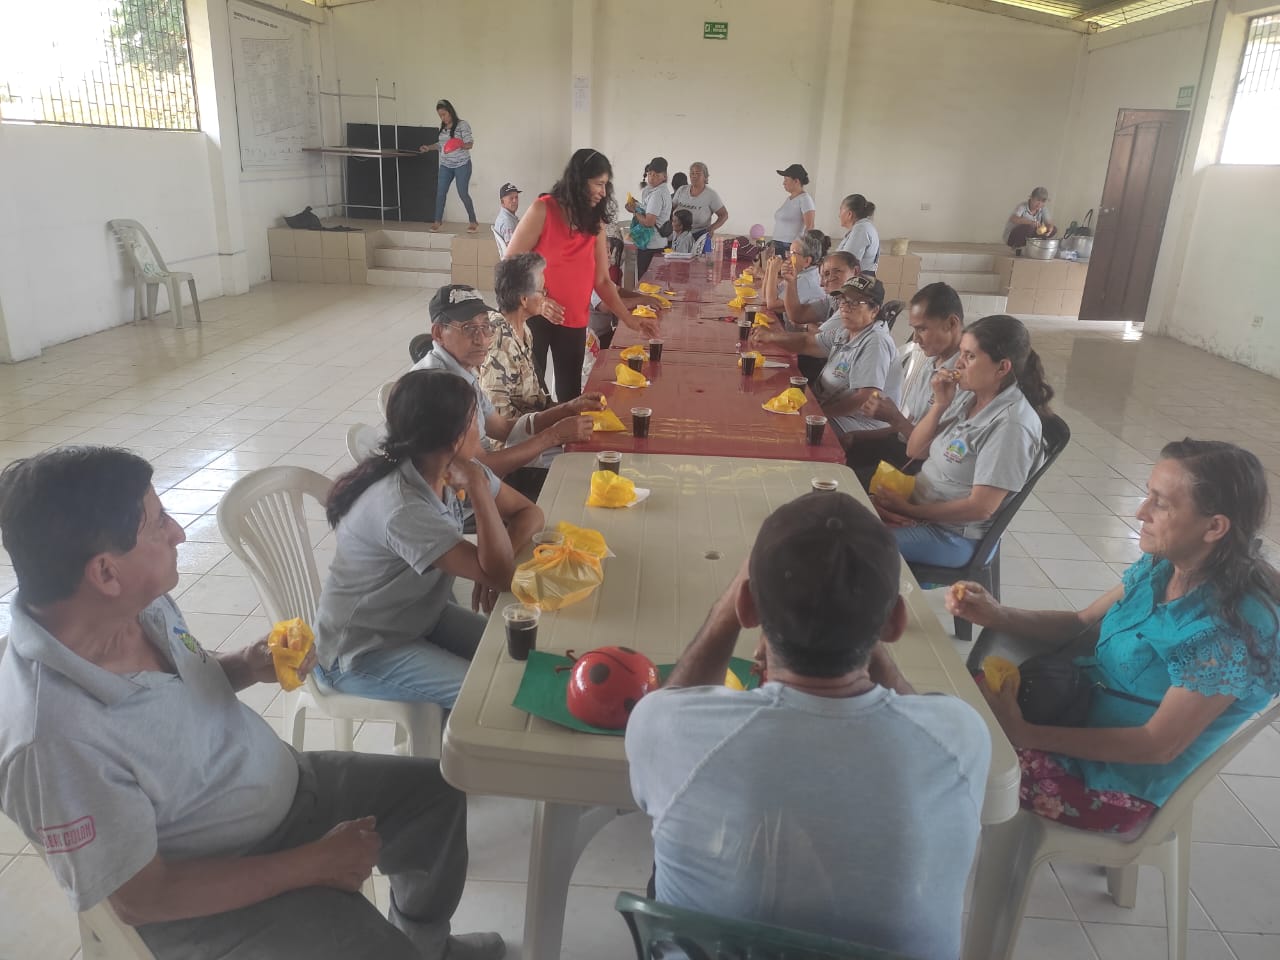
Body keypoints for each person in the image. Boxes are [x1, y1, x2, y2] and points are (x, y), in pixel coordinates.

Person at [0, 446, 505, 960]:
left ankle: (428, 944)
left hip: (282, 787)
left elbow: (177, 688)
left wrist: (247, 663)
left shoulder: (135, 605)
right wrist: (313, 863)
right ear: (106, 573)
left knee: (435, 796)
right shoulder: (51, 740)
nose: (178, 533)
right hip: (212, 895)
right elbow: (143, 898)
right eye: (158, 524)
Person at [625, 492, 990, 959]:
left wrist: (729, 608)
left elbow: (676, 702)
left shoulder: (666, 727)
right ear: (895, 623)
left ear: (747, 607)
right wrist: (858, 624)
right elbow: (919, 721)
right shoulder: (962, 737)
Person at [954, 440, 1280, 835]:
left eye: (1161, 504)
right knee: (944, 705)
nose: (1141, 512)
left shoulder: (1232, 630)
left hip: (1112, 781)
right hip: (1071, 709)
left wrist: (1025, 734)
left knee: (948, 756)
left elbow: (1157, 745)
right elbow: (1081, 624)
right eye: (1148, 495)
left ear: (1214, 527)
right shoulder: (1164, 566)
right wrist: (998, 615)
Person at [315, 370, 543, 710]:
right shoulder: (404, 505)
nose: (481, 426)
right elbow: (501, 575)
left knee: (524, 656)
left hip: (420, 616)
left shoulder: (445, 466)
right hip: (362, 650)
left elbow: (529, 513)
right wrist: (479, 492)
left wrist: (492, 560)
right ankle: (451, 743)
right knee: (488, 697)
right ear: (453, 439)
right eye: (474, 419)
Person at [870, 314, 1051, 567]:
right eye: (961, 353)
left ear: (1002, 368)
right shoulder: (970, 396)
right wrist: (940, 405)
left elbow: (981, 508)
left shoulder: (1011, 426)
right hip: (916, 506)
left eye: (970, 356)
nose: (958, 364)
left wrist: (910, 511)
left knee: (856, 544)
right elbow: (915, 450)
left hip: (952, 535)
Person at [503, 148, 662, 402]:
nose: (603, 192)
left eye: (606, 185)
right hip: (535, 316)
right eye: (598, 183)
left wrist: (629, 320)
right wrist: (540, 301)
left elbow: (602, 281)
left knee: (570, 395)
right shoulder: (543, 210)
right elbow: (510, 263)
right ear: (578, 180)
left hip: (573, 318)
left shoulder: (594, 223)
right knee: (531, 393)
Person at [412, 285, 598, 480]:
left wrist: (568, 408)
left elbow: (503, 429)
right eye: (468, 328)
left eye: (485, 326)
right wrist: (554, 436)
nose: (481, 339)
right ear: (438, 333)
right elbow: (478, 471)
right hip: (459, 492)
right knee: (583, 476)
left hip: (479, 480)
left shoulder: (462, 371)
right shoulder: (439, 387)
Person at [751, 276, 903, 443]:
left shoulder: (875, 341)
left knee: (788, 433)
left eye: (854, 303)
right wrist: (772, 337)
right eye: (843, 301)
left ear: (874, 310)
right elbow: (806, 342)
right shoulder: (846, 332)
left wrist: (818, 412)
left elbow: (864, 398)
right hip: (828, 409)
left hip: (857, 425)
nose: (845, 307)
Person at [847, 282, 965, 486]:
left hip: (920, 465)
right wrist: (857, 436)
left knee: (845, 482)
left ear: (952, 323)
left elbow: (931, 450)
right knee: (838, 451)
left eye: (922, 329)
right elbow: (906, 425)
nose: (916, 339)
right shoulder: (931, 362)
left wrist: (894, 417)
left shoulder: (961, 379)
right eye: (914, 329)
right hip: (901, 446)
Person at [419, 99, 478, 234]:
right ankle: (437, 221)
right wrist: (428, 147)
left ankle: (473, 221)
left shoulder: (462, 125)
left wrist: (459, 144)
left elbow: (470, 144)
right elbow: (441, 145)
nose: (442, 118)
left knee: (463, 193)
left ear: (450, 111)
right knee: (440, 193)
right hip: (446, 165)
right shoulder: (444, 128)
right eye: (440, 115)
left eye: (444, 114)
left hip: (462, 164)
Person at [762, 229, 829, 330]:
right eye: (789, 252)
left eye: (793, 253)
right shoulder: (800, 273)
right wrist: (769, 268)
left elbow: (771, 304)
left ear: (807, 261)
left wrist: (773, 271)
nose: (787, 256)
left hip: (800, 336)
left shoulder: (806, 280)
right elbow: (765, 297)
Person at [626, 156, 672, 279]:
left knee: (646, 283)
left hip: (651, 246)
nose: (652, 177)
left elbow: (649, 222)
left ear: (664, 176)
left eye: (656, 175)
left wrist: (634, 211)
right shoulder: (659, 191)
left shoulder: (657, 194)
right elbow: (649, 211)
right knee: (655, 283)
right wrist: (637, 205)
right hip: (658, 244)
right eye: (650, 174)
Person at [671, 161, 729, 251]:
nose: (694, 176)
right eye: (692, 173)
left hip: (700, 235)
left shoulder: (711, 195)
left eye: (698, 173)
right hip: (680, 234)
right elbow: (671, 208)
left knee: (699, 260)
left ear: (705, 177)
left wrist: (712, 228)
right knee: (678, 258)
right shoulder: (682, 190)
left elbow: (724, 215)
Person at [770, 164, 816, 257]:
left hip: (790, 246)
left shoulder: (805, 199)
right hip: (778, 244)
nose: (784, 183)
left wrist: (801, 247)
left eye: (786, 180)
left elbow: (810, 226)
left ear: (796, 181)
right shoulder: (789, 199)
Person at [837, 194, 880, 275]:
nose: (839, 215)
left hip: (857, 279)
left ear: (849, 214)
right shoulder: (864, 226)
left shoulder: (861, 229)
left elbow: (847, 262)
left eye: (841, 210)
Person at [1003, 186, 1056, 250]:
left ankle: (1035, 247)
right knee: (1029, 227)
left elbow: (1048, 223)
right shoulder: (1022, 206)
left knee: (1053, 229)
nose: (1039, 204)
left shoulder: (1043, 209)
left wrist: (1050, 228)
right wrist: (1030, 222)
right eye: (1038, 200)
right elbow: (1013, 218)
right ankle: (1018, 248)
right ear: (1031, 198)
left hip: (1030, 236)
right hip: (1013, 237)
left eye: (1042, 201)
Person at [493, 182, 521, 250]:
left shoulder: (505, 216)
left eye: (516, 197)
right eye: (511, 198)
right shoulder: (507, 222)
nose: (515, 201)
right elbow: (512, 250)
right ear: (502, 202)